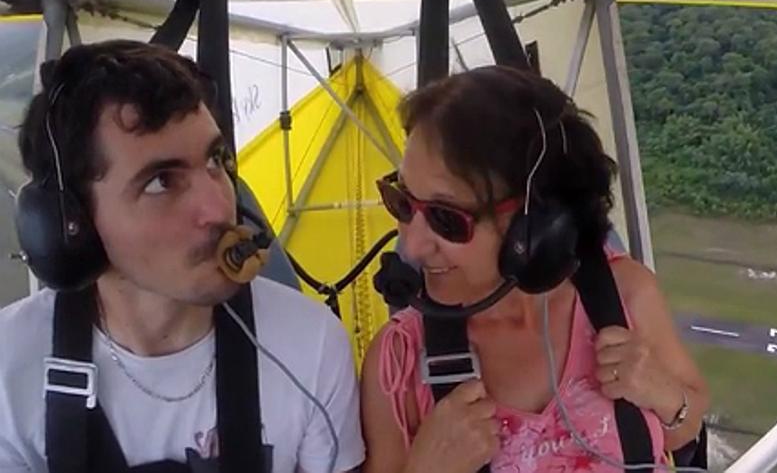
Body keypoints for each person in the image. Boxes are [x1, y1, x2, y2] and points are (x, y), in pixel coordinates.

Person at [0, 40, 365, 473]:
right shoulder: (9, 366)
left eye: (216, 160)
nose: (218, 208)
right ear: (70, 223)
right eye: (160, 182)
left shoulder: (312, 344)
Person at [360, 65, 710, 473]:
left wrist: (663, 393)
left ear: (539, 222)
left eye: (446, 218)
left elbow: (686, 427)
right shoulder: (398, 363)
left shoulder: (623, 297)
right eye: (401, 200)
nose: (413, 245)